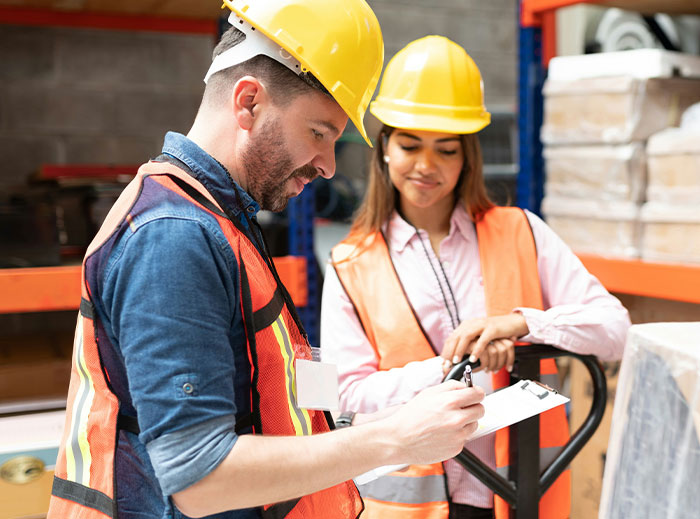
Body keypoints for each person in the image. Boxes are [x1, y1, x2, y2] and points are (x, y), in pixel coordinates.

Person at [46, 4, 487, 519]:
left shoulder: (220, 219)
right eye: (320, 132)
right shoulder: (175, 235)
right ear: (249, 101)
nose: (327, 165)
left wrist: (376, 423)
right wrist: (396, 438)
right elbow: (200, 477)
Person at [321, 35, 631, 519]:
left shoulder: (522, 230)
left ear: (468, 157)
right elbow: (343, 394)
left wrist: (524, 326)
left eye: (446, 150)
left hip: (523, 490)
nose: (426, 166)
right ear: (383, 148)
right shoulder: (349, 262)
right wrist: (457, 367)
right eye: (409, 145)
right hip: (415, 505)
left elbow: (615, 331)